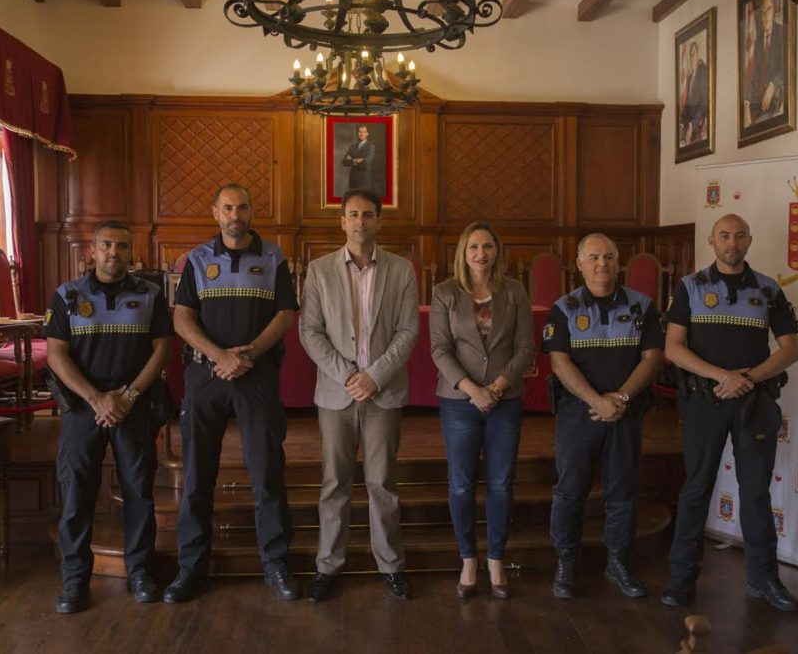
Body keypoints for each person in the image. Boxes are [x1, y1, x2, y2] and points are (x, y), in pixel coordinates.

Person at [163, 183, 300, 603]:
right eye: (227, 208)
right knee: (197, 478)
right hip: (206, 376)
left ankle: (276, 566)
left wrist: (250, 354)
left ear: (251, 211)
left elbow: (285, 313)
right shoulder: (198, 259)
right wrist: (219, 355)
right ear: (215, 212)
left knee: (267, 475)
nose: (235, 214)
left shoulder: (274, 256)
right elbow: (182, 317)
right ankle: (192, 569)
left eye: (242, 207)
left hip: (256, 375)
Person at [661, 213, 798, 612]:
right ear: (712, 240)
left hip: (753, 403)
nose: (732, 242)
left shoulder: (768, 288)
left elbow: (792, 349)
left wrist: (747, 379)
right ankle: (680, 579)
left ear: (749, 240)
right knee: (695, 490)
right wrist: (723, 376)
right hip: (705, 404)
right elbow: (673, 348)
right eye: (724, 235)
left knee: (755, 493)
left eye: (740, 235)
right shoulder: (689, 286)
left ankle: (764, 580)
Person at [45, 220, 172, 614]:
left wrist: (129, 396)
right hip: (85, 407)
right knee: (77, 495)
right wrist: (97, 398)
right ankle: (75, 581)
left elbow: (162, 349)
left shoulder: (150, 295)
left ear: (130, 252)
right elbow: (56, 354)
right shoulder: (67, 295)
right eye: (105, 246)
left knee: (139, 492)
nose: (112, 253)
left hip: (133, 404)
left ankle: (140, 572)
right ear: (92, 252)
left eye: (120, 246)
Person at [299, 187, 419, 601]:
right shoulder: (319, 270)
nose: (360, 222)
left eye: (368, 215)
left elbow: (408, 332)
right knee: (335, 482)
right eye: (353, 214)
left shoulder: (402, 270)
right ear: (342, 221)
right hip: (336, 393)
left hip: (382, 393)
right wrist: (350, 375)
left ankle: (390, 565)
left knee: (382, 482)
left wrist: (375, 377)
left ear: (379, 221)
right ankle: (328, 565)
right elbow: (310, 331)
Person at [541, 234, 663, 600]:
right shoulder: (563, 309)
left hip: (625, 412)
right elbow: (559, 362)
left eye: (609, 257)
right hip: (579, 413)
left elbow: (652, 358)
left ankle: (618, 563)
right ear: (578, 263)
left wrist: (620, 398)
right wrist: (597, 400)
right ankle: (566, 563)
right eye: (593, 257)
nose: (601, 264)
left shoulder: (643, 306)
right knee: (570, 492)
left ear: (618, 262)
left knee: (623, 493)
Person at [429, 221, 535, 600]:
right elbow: (440, 349)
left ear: (497, 251)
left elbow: (526, 349)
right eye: (473, 246)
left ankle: (496, 558)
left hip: (505, 401)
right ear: (463, 251)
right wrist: (475, 391)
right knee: (460, 483)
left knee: (501, 482)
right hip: (459, 402)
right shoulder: (444, 293)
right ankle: (468, 558)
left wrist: (496, 388)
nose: (481, 253)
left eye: (487, 246)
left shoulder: (515, 291)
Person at [744, 0, 785, 128]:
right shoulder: (759, 41)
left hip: (775, 101)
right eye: (762, 12)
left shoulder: (782, 33)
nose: (764, 16)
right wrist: (746, 104)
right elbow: (752, 76)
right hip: (757, 105)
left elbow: (787, 66)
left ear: (775, 10)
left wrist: (773, 85)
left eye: (768, 10)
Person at [680, 41, 708, 146]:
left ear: (698, 55)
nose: (692, 58)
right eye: (690, 55)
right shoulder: (689, 78)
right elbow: (687, 105)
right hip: (688, 124)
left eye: (694, 54)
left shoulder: (703, 74)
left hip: (698, 124)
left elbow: (703, 105)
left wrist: (691, 125)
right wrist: (682, 123)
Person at [342, 124, 375, 191]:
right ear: (357, 133)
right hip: (353, 178)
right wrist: (356, 160)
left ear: (367, 133)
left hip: (364, 179)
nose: (362, 134)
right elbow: (344, 161)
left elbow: (366, 161)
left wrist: (352, 160)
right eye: (360, 132)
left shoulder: (371, 147)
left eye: (364, 132)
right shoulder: (352, 146)